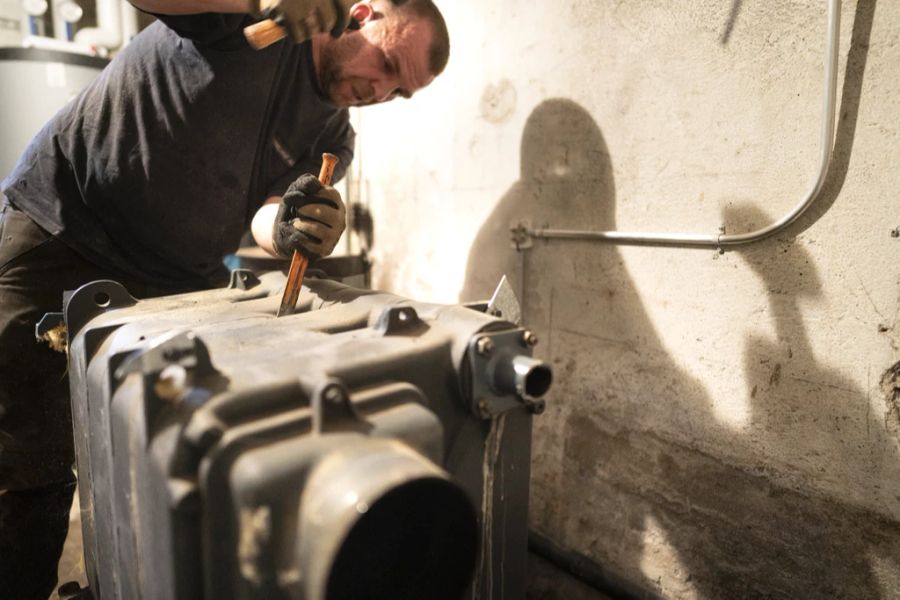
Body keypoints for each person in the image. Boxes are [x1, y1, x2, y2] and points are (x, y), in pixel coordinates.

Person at [0, 0, 449, 596]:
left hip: (175, 282)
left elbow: (267, 215)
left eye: (399, 91)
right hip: (65, 229)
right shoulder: (254, 20)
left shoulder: (332, 135)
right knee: (25, 472)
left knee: (156, 459)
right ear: (362, 13)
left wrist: (291, 227)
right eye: (387, 62)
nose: (381, 89)